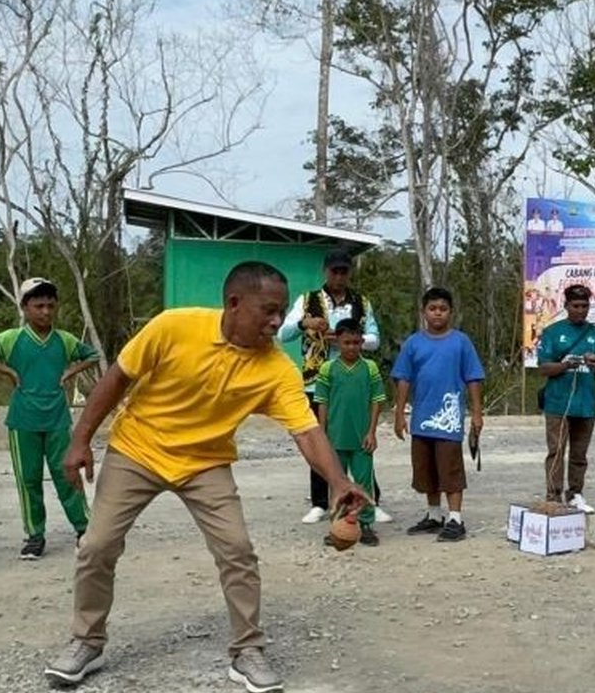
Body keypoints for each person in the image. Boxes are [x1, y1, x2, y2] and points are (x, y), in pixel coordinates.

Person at [43, 261, 368, 692]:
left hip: (205, 462)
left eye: (281, 311)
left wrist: (339, 482)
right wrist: (81, 438)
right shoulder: (174, 327)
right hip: (137, 450)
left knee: (237, 549)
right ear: (234, 303)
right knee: (98, 545)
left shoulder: (275, 368)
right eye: (268, 311)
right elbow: (117, 378)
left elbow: (307, 431)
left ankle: (247, 649)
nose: (277, 321)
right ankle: (87, 641)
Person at [0, 277, 100, 560]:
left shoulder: (64, 339)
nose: (46, 312)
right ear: (25, 308)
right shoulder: (11, 339)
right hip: (22, 421)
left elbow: (92, 355)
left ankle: (84, 528)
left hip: (58, 419)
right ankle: (35, 536)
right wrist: (9, 372)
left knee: (67, 474)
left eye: (51, 305)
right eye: (39, 306)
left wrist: (69, 373)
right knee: (29, 480)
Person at [278, 247, 387, 525]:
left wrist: (348, 338)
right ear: (325, 271)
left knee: (361, 440)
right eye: (334, 271)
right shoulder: (308, 300)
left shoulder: (362, 303)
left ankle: (370, 499)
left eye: (344, 271)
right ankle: (320, 501)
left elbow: (375, 338)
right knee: (319, 441)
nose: (339, 276)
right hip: (318, 382)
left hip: (354, 383)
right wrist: (306, 323)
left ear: (350, 272)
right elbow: (283, 333)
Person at [392, 287, 486, 542]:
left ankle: (455, 518)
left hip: (450, 419)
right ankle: (434, 516)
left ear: (451, 313)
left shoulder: (461, 342)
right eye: (432, 309)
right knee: (426, 469)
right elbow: (403, 379)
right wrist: (399, 413)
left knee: (450, 469)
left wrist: (477, 413)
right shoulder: (413, 343)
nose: (437, 314)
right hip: (421, 418)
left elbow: (474, 377)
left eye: (443, 309)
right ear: (423, 313)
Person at [537, 284, 595, 513]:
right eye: (576, 306)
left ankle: (575, 493)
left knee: (579, 454)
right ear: (566, 305)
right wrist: (565, 365)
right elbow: (543, 367)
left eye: (585, 306)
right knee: (557, 450)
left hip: (586, 403)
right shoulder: (552, 332)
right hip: (558, 403)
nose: (581, 310)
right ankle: (553, 494)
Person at [314, 319, 386, 547]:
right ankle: (338, 527)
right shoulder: (328, 368)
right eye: (347, 342)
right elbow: (322, 402)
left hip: (361, 438)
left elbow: (376, 401)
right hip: (335, 437)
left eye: (356, 342)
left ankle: (365, 525)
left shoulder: (370, 368)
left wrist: (371, 432)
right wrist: (322, 434)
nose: (352, 347)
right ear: (338, 342)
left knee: (364, 482)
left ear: (362, 342)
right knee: (337, 483)